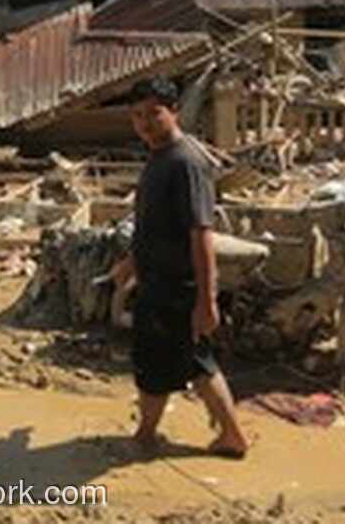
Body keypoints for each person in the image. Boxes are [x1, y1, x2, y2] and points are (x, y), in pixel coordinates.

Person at [109, 75, 251, 459]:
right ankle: (230, 436)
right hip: (158, 280)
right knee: (195, 364)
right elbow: (157, 224)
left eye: (154, 113)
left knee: (160, 366)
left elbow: (199, 233)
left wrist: (207, 299)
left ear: (174, 112)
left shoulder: (185, 162)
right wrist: (132, 262)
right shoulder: (159, 156)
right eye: (137, 115)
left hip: (176, 287)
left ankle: (145, 436)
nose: (145, 123)